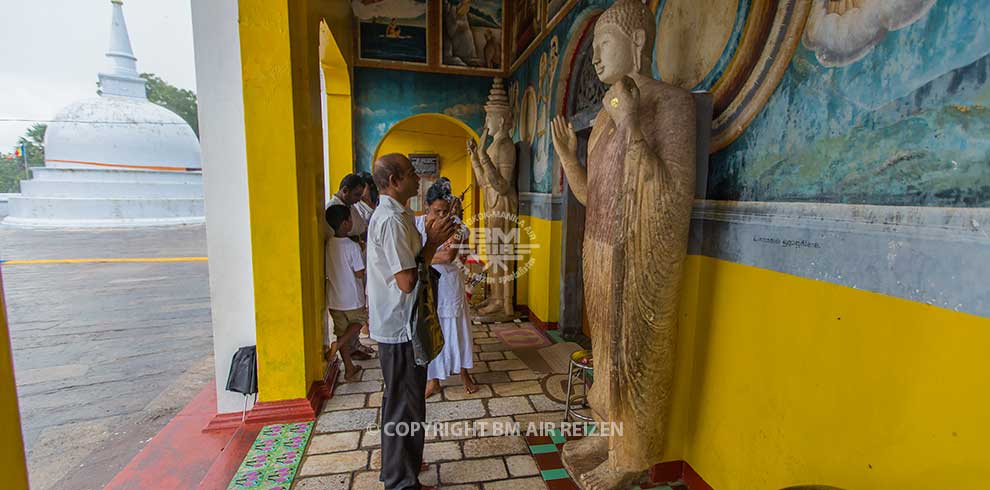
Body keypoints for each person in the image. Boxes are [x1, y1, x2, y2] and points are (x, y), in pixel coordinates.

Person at [367, 153, 456, 490]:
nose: (418, 178)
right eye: (410, 173)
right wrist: (432, 243)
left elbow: (416, 264)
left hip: (404, 323)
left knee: (407, 402)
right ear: (392, 180)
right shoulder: (391, 221)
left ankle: (401, 467)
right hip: (399, 326)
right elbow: (406, 282)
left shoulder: (400, 216)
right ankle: (401, 481)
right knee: (404, 404)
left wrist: (429, 245)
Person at [415, 179, 478, 398]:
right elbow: (434, 255)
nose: (441, 216)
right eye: (436, 211)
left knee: (456, 329)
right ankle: (434, 380)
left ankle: (464, 373)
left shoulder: (458, 226)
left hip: (450, 284)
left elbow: (449, 255)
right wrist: (424, 257)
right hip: (426, 284)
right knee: (431, 328)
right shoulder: (418, 224)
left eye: (445, 211)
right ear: (427, 207)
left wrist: (420, 257)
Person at [326, 173, 375, 360]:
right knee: (357, 319)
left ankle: (350, 356)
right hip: (349, 278)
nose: (357, 200)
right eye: (355, 195)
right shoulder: (335, 209)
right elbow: (359, 273)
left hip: (339, 289)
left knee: (343, 326)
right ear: (344, 191)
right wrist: (355, 241)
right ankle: (347, 345)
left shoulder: (348, 206)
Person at [323, 205, 367, 382]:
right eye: (350, 219)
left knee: (341, 331)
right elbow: (359, 273)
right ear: (345, 223)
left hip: (334, 298)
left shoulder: (328, 244)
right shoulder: (352, 246)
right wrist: (362, 252)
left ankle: (349, 368)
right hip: (352, 298)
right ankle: (339, 344)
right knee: (360, 321)